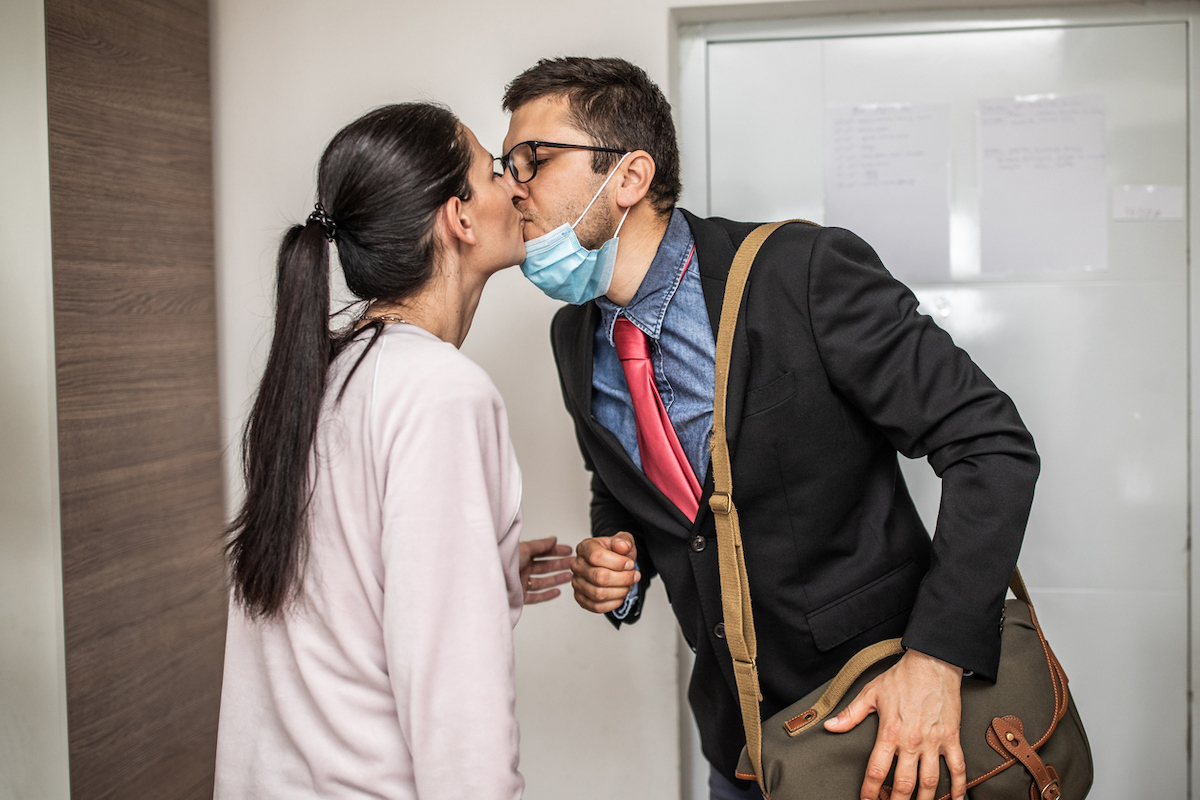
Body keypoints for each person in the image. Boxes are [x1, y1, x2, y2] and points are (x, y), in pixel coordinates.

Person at [499, 58, 1039, 800]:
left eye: (532, 158)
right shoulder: (572, 338)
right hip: (741, 748)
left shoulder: (803, 272)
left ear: (627, 177)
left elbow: (990, 443)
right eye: (506, 164)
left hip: (888, 728)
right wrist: (617, 563)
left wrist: (937, 659)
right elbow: (629, 488)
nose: (511, 184)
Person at [214, 102, 571, 799]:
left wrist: (481, 569)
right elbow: (458, 720)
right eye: (497, 172)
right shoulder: (441, 391)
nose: (519, 189)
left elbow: (340, 594)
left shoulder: (329, 373)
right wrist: (465, 580)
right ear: (458, 217)